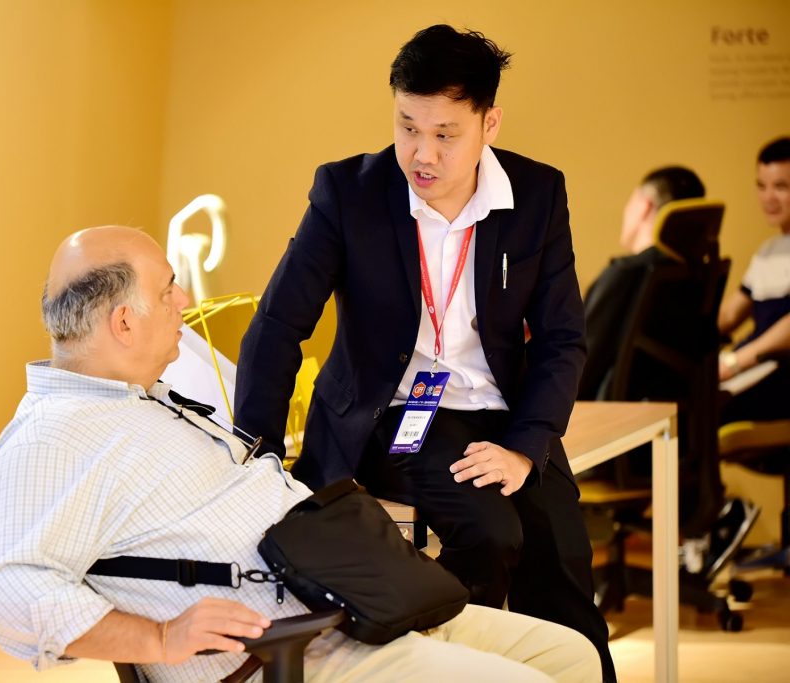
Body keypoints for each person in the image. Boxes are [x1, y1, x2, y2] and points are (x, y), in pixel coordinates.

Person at [0, 225, 602, 683]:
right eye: (167, 289)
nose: (183, 299)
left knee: (571, 657)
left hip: (352, 607)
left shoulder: (144, 401)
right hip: (292, 651)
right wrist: (160, 637)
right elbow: (10, 593)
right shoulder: (52, 437)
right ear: (123, 323)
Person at [234, 25, 615, 681]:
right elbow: (276, 325)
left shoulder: (536, 195)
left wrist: (526, 447)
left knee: (563, 560)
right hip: (395, 414)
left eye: (445, 134)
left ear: (489, 123)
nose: (422, 153)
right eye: (407, 127)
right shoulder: (348, 193)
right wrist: (259, 457)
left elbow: (561, 338)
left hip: (504, 413)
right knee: (492, 533)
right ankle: (438, 664)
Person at [578, 166, 706, 401]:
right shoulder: (695, 274)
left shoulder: (626, 273)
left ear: (644, 206)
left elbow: (578, 364)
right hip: (669, 407)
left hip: (610, 414)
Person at [717, 136, 790, 424]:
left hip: (780, 373)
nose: (768, 198)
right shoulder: (767, 251)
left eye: (781, 187)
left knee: (706, 415)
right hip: (756, 366)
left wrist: (736, 362)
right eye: (761, 186)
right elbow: (728, 315)